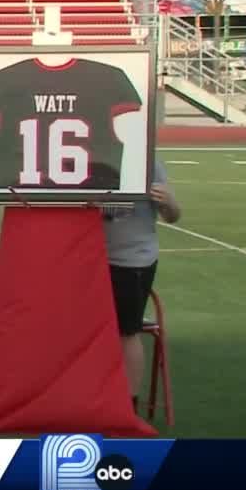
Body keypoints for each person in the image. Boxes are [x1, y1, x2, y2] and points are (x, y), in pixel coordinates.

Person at [102, 158, 182, 412]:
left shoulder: (147, 160)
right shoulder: (89, 152)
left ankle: (128, 404)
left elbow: (173, 216)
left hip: (129, 260)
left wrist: (168, 201)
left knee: (127, 331)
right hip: (87, 257)